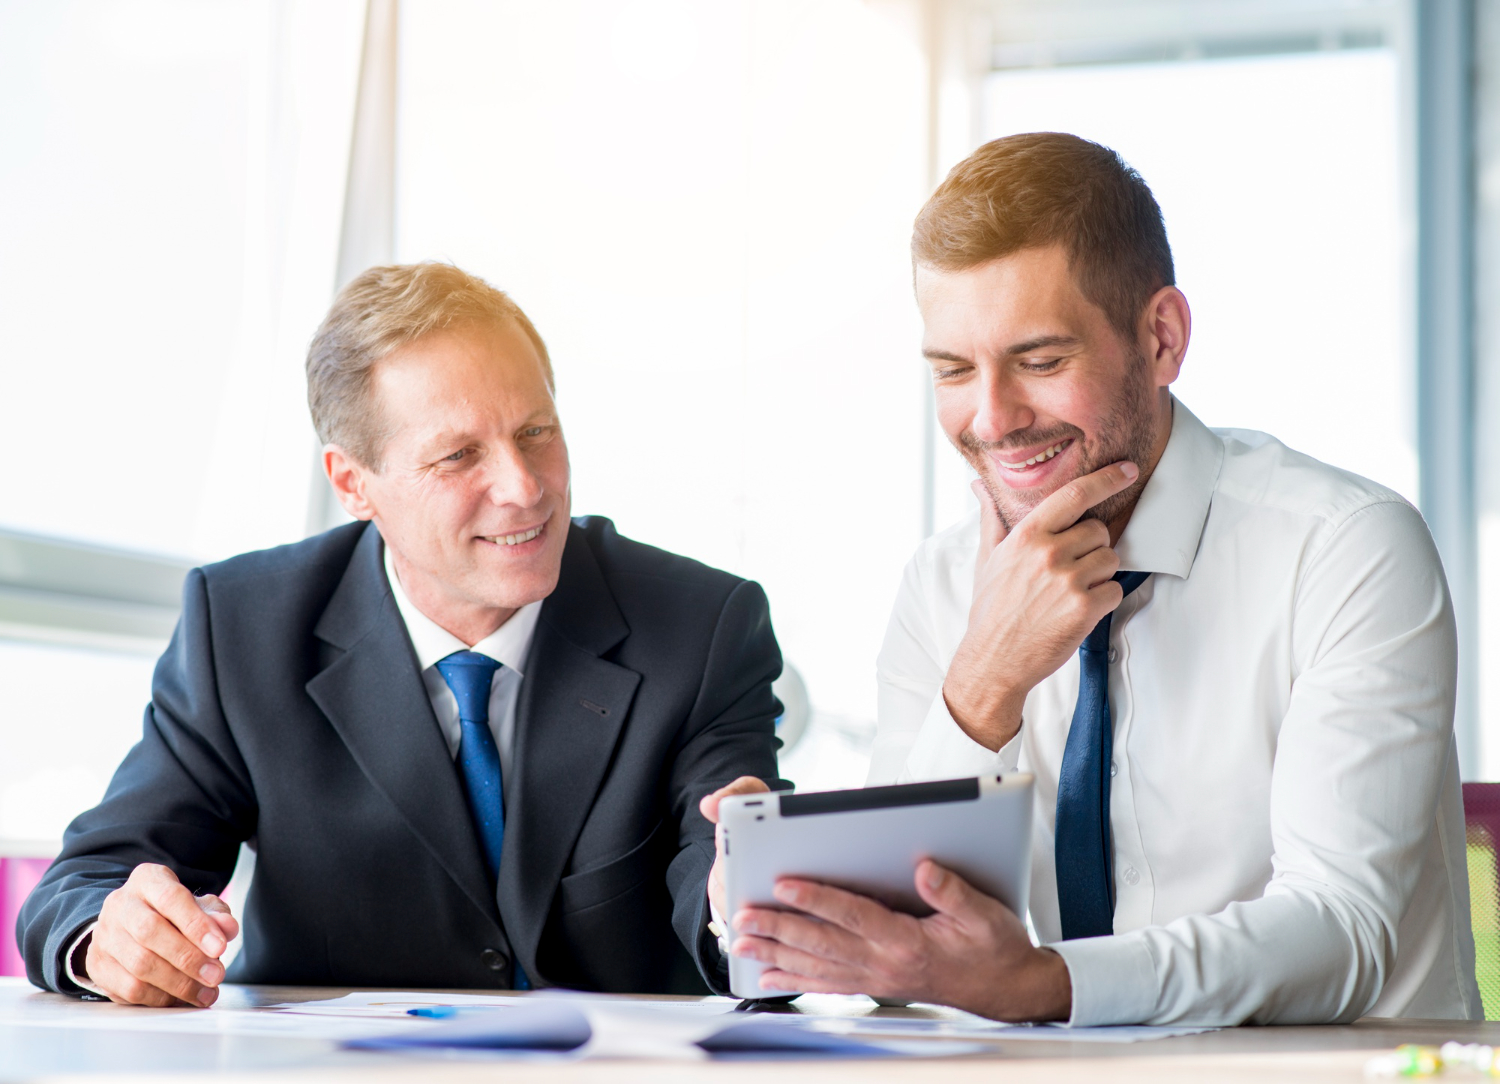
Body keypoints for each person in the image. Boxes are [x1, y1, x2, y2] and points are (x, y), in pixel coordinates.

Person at [725, 133, 1481, 1025]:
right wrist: (983, 681)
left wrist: (1045, 986)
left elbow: (1344, 932)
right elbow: (897, 957)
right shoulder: (939, 584)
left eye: (1040, 361)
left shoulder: (1345, 548)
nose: (994, 418)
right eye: (955, 371)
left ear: (1161, 339)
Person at [19, 263, 784, 1007]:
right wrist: (114, 937)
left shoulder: (703, 625)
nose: (523, 488)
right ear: (352, 483)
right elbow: (85, 886)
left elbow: (716, 861)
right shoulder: (242, 627)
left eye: (536, 430)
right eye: (459, 456)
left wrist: (740, 897)